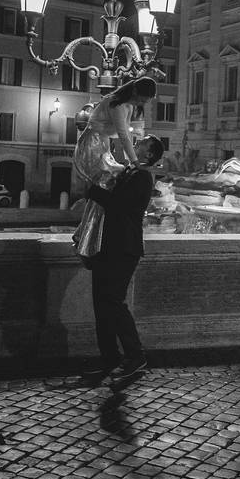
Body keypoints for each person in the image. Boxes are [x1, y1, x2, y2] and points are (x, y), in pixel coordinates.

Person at [80, 133, 165, 385]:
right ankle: (109, 359)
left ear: (148, 154)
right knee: (101, 304)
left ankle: (135, 357)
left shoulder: (142, 176)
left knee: (114, 303)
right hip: (108, 247)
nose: (134, 144)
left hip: (123, 249)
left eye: (140, 144)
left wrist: (93, 191)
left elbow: (119, 205)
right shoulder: (129, 171)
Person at [73, 77, 156, 191]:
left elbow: (126, 135)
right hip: (92, 144)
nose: (141, 104)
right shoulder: (117, 105)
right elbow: (124, 136)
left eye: (144, 102)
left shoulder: (128, 106)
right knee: (111, 178)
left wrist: (131, 162)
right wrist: (135, 163)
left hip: (100, 143)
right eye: (142, 100)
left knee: (112, 179)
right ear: (135, 92)